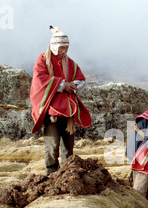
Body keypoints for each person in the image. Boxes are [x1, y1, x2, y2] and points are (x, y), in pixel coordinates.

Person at [30, 26, 91, 176]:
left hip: (68, 111)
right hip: (52, 112)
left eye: (66, 47)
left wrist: (74, 85)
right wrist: (63, 84)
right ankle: (51, 173)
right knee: (52, 145)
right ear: (55, 46)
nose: (65, 51)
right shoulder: (43, 60)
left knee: (68, 146)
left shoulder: (70, 63)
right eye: (62, 47)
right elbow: (40, 80)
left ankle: (67, 173)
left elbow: (81, 79)